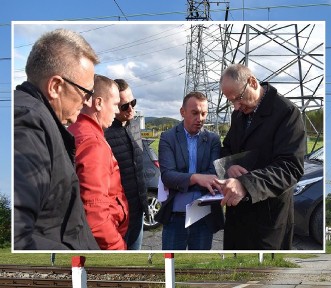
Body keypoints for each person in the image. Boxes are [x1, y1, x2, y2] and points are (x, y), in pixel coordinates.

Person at [13, 28, 100, 250]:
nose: (88, 102)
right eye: (86, 92)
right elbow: (18, 236)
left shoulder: (40, 121)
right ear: (55, 87)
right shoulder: (27, 123)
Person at [215, 64, 306, 250]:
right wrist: (229, 167)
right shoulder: (239, 114)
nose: (236, 106)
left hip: (268, 218)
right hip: (238, 214)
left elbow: (290, 167)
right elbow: (227, 149)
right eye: (231, 101)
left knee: (266, 269)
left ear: (253, 82)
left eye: (238, 99)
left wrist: (245, 184)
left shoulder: (287, 113)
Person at [157, 91, 224, 250]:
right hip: (175, 218)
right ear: (183, 112)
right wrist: (196, 178)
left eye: (204, 113)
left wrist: (182, 180)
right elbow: (168, 176)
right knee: (171, 264)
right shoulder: (168, 137)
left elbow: (213, 176)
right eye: (195, 113)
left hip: (203, 218)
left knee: (200, 264)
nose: (200, 118)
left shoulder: (213, 140)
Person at [68, 75, 129, 250]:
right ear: (99, 103)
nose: (118, 111)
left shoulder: (75, 131)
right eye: (116, 104)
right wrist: (117, 247)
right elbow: (94, 211)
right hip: (100, 243)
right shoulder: (93, 142)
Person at [105, 79, 147, 250]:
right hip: (118, 215)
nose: (131, 109)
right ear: (114, 105)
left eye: (133, 102)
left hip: (138, 208)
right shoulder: (104, 133)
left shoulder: (134, 126)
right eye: (124, 106)